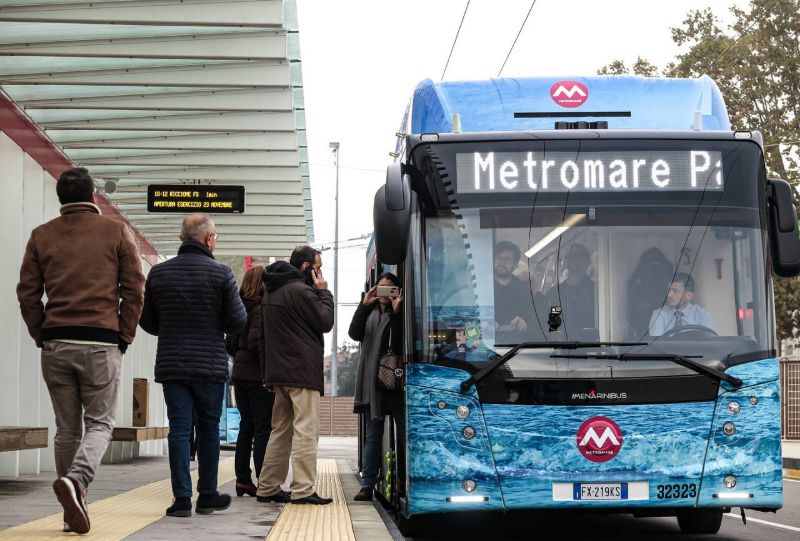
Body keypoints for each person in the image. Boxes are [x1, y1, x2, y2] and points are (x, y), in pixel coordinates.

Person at [16, 167, 145, 534]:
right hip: (100, 340)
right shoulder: (115, 231)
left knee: (67, 429)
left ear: (61, 199)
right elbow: (134, 289)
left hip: (56, 340)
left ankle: (71, 506)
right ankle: (77, 480)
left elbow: (27, 293)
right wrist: (124, 335)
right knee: (101, 423)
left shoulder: (41, 235)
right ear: (94, 197)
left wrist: (42, 333)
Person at [139, 213, 247, 518]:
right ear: (209, 239)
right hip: (210, 365)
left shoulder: (159, 274)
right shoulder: (221, 274)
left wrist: (172, 328)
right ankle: (208, 494)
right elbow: (238, 321)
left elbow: (147, 321)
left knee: (180, 429)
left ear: (181, 239)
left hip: (173, 364)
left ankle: (182, 499)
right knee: (209, 429)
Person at [255, 246, 335, 505]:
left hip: (279, 375)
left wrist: (268, 374)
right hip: (302, 373)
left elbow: (263, 336)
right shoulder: (301, 291)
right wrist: (323, 291)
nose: (319, 272)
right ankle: (303, 489)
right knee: (306, 431)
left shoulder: (271, 291)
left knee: (280, 431)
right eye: (317, 266)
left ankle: (267, 486)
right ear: (305, 267)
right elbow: (325, 321)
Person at [348, 272, 403, 501]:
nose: (385, 293)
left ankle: (404, 482)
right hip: (373, 384)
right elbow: (354, 333)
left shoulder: (400, 312)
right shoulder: (368, 311)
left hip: (396, 382)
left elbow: (400, 343)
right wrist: (363, 305)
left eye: (390, 288)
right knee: (373, 436)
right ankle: (368, 484)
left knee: (404, 435)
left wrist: (397, 312)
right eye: (381, 288)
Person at [225, 265, 275, 498]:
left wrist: (239, 353)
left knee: (246, 426)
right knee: (263, 427)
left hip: (239, 376)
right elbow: (258, 342)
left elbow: (229, 343)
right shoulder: (262, 308)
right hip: (257, 375)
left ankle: (242, 480)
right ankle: (264, 481)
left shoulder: (238, 306)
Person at [493, 241, 542, 343]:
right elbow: (461, 323)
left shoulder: (525, 293)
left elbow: (536, 325)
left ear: (515, 264)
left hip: (516, 352)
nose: (501, 262)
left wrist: (525, 323)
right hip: (485, 352)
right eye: (498, 258)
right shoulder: (480, 287)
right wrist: (480, 323)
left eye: (507, 259)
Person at [546, 243, 597, 340]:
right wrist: (555, 334)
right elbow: (554, 322)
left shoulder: (596, 291)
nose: (574, 261)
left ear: (587, 261)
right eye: (570, 257)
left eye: (579, 256)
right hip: (564, 347)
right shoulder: (555, 293)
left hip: (592, 345)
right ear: (565, 262)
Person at [648, 273, 715, 336]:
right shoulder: (659, 314)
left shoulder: (702, 315)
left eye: (675, 291)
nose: (669, 295)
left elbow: (708, 342)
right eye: (668, 290)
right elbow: (656, 344)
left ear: (689, 295)